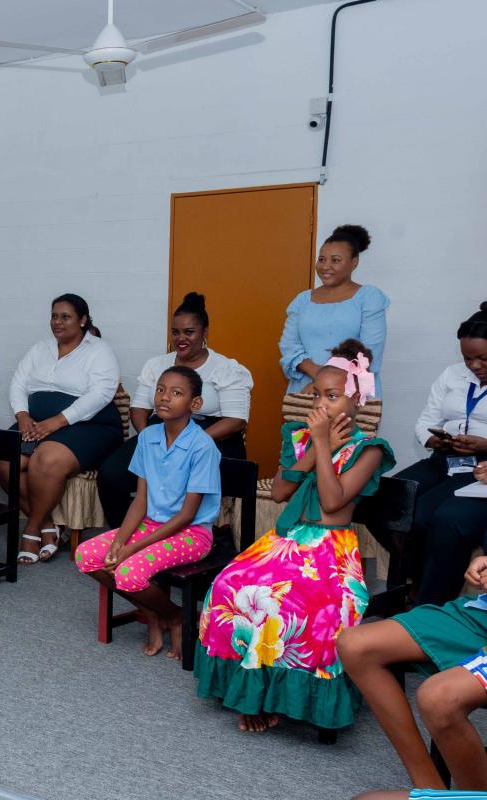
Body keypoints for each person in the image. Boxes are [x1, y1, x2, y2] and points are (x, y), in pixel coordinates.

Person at [194, 339, 395, 733]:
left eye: (333, 396)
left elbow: (334, 501)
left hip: (330, 549)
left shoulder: (368, 450)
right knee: (227, 586)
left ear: (358, 399)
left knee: (289, 607)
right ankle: (254, 693)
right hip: (286, 542)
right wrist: (313, 447)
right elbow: (283, 491)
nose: (321, 404)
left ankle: (276, 698)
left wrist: (324, 444)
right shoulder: (299, 437)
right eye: (318, 394)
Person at [75, 366, 222, 659]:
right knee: (87, 556)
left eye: (176, 393)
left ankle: (177, 616)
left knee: (128, 572)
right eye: (161, 389)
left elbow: (187, 515)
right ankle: (152, 614)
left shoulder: (202, 446)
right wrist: (120, 541)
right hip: (150, 524)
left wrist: (132, 548)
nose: (165, 397)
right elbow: (140, 500)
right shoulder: (148, 437)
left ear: (195, 404)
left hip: (191, 533)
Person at [341, 539, 487, 792]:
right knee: (355, 645)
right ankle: (430, 787)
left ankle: (472, 796)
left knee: (439, 698)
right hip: (480, 614)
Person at [97, 292, 252, 528]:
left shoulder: (226, 368)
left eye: (189, 332)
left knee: (187, 481)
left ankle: (192, 541)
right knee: (110, 474)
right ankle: (126, 534)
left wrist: (189, 443)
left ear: (204, 332)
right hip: (161, 431)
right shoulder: (157, 364)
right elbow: (139, 409)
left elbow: (236, 420)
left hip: (211, 436)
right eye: (175, 332)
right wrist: (149, 438)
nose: (181, 338)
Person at [0, 293, 122, 564]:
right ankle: (47, 524)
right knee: (4, 457)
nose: (57, 322)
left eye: (66, 317)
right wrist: (22, 415)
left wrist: (58, 420)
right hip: (36, 422)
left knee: (46, 459)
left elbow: (101, 394)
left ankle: (31, 529)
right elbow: (18, 383)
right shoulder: (40, 348)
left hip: (90, 424)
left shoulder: (99, 350)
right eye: (54, 316)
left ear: (83, 320)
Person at [394, 302, 487, 605]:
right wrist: (435, 441)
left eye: (482, 358)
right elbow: (425, 422)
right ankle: (416, 574)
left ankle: (428, 596)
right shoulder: (452, 375)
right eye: (467, 358)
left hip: (479, 464)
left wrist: (483, 445)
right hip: (445, 456)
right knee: (389, 499)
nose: (474, 365)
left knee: (425, 515)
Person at [279, 224, 389, 393]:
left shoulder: (369, 298)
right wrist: (318, 374)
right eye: (321, 259)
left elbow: (368, 352)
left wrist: (325, 382)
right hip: (305, 389)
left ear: (354, 262)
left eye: (335, 260)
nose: (325, 266)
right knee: (304, 420)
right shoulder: (302, 300)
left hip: (352, 391)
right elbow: (289, 345)